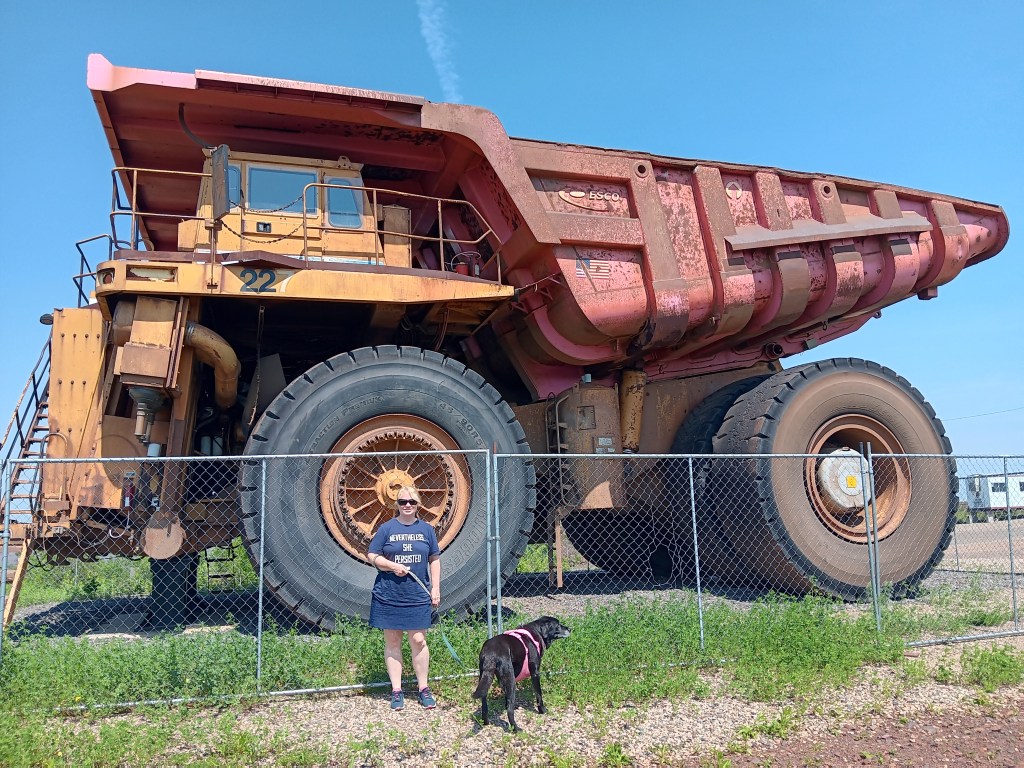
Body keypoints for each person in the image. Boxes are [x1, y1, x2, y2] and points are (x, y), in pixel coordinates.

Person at [367, 485, 441, 711]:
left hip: (418, 592)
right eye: (402, 502)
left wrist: (435, 588)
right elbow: (372, 555)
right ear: (396, 505)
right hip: (390, 593)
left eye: (411, 502)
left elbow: (434, 559)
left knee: (418, 640)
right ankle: (397, 691)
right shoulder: (386, 529)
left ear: (418, 504)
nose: (407, 505)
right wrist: (391, 566)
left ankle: (423, 689)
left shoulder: (427, 530)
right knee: (393, 641)